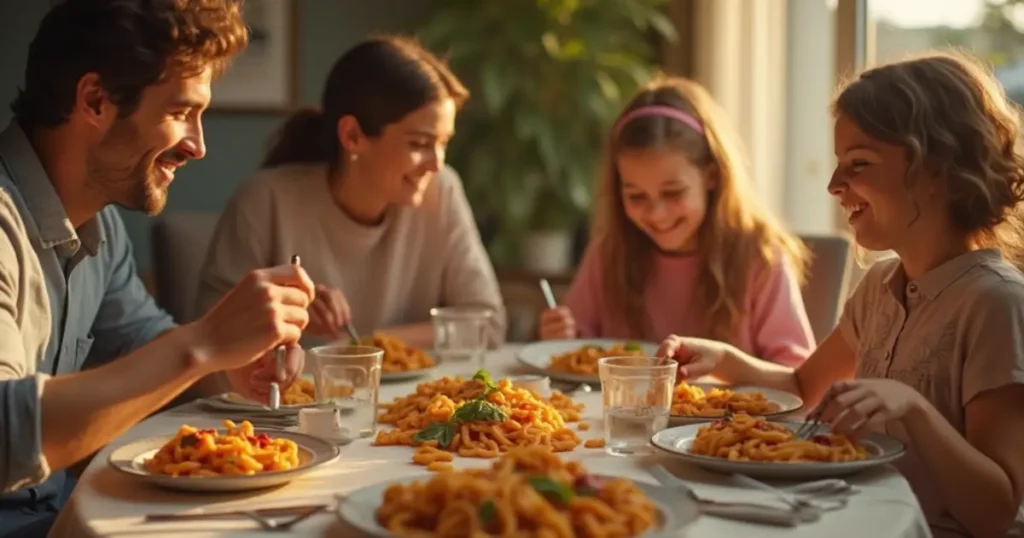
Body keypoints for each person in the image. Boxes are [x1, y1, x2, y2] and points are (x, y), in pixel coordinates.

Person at [659, 51, 1024, 537]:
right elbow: (800, 388)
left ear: (936, 170)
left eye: (858, 163)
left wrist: (913, 408)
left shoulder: (995, 304)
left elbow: (997, 509)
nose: (834, 185)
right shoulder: (877, 287)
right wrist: (724, 359)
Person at [0, 1, 315, 536]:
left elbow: (140, 344)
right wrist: (204, 344)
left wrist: (229, 368)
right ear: (95, 100)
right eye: (179, 113)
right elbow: (7, 434)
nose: (198, 145)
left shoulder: (99, 226)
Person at [196, 36, 504, 348]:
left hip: (412, 397)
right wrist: (280, 314)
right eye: (419, 144)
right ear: (353, 136)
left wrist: (366, 346)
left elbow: (489, 324)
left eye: (443, 143)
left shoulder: (442, 191)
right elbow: (208, 345)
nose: (437, 165)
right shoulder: (265, 201)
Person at [539, 77, 814, 367]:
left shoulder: (759, 257)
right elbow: (576, 350)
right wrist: (561, 336)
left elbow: (796, 371)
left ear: (711, 175)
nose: (657, 214)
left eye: (673, 193)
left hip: (728, 413)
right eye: (636, 195)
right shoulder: (609, 251)